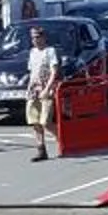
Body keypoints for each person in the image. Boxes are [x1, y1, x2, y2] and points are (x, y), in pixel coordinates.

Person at [27, 26, 62, 162]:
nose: (35, 40)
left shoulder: (50, 51)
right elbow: (32, 71)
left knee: (46, 121)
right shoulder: (32, 52)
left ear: (43, 37)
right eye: (33, 37)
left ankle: (62, 140)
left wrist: (47, 88)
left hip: (46, 89)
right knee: (34, 121)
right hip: (34, 90)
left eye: (37, 37)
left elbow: (54, 71)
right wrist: (29, 87)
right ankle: (41, 150)